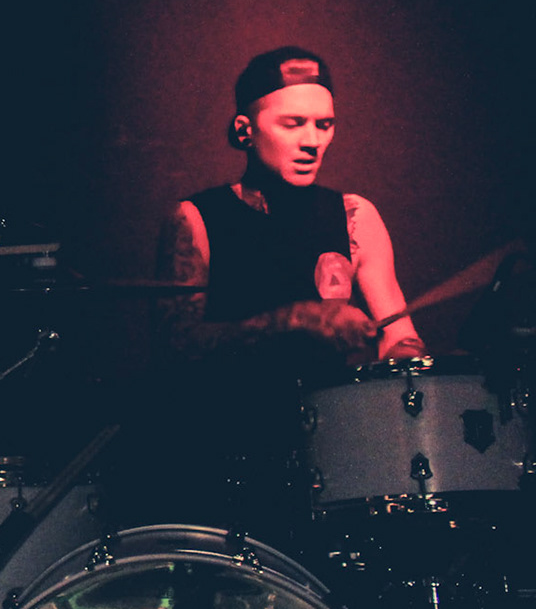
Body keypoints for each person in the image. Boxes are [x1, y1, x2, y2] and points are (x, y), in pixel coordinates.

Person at [137, 47, 427, 533]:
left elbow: (400, 333)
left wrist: (402, 354)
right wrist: (298, 320)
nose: (312, 141)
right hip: (224, 458)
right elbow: (175, 346)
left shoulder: (355, 216)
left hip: (336, 460)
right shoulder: (197, 218)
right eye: (293, 124)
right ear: (244, 130)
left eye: (324, 125)